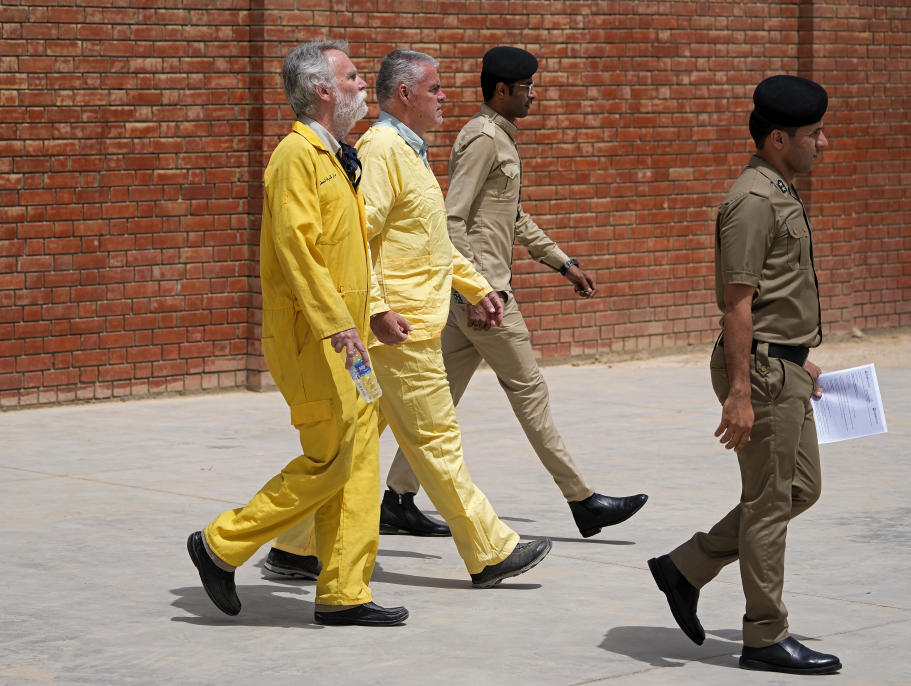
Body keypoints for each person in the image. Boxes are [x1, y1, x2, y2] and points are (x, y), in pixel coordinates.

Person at [264, 49, 552, 588]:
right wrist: (374, 308)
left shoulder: (408, 151)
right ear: (405, 95)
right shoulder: (381, 150)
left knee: (359, 439)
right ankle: (489, 550)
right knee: (437, 437)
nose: (445, 98)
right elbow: (356, 239)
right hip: (401, 327)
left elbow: (430, 240)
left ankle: (295, 546)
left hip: (411, 320)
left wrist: (474, 285)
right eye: (435, 89)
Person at [380, 46, 647, 539]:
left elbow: (510, 216)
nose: (534, 95)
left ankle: (397, 497)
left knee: (440, 398)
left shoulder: (497, 137)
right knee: (531, 395)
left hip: (474, 298)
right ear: (502, 90)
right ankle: (583, 500)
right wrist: (474, 293)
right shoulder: (483, 138)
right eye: (527, 88)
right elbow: (452, 218)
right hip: (489, 300)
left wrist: (563, 262)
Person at [186, 39, 409, 627]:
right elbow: (297, 251)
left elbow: (349, 253)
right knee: (332, 458)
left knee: (359, 456)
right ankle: (220, 543)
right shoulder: (295, 156)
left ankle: (344, 593)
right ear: (323, 90)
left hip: (348, 338)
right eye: (354, 76)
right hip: (316, 338)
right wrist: (338, 324)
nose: (365, 86)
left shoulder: (338, 155)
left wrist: (373, 315)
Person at [647, 75, 841, 674]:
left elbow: (775, 296)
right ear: (780, 138)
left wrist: (796, 354)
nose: (824, 143)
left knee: (796, 490)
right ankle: (764, 635)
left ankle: (686, 567)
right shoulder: (753, 202)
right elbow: (736, 304)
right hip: (757, 374)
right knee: (767, 502)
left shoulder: (778, 189)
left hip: (782, 365)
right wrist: (738, 392)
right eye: (814, 135)